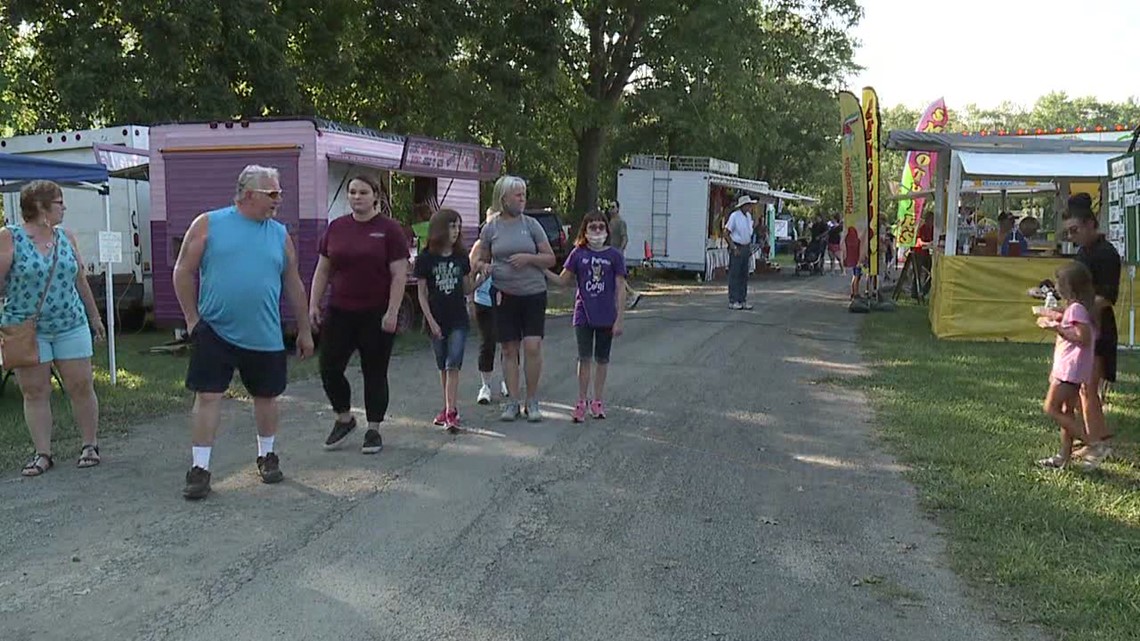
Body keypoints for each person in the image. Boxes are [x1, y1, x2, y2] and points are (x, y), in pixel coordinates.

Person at [174, 165, 314, 500]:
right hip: (216, 331)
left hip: (264, 334)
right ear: (249, 194)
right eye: (273, 193)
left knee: (266, 396)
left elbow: (293, 284)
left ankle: (267, 456)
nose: (279, 200)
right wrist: (192, 319)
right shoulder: (208, 223)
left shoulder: (280, 234)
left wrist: (305, 330)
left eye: (279, 193)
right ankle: (200, 469)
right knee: (207, 396)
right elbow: (183, 270)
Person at [0, 180, 106, 476]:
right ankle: (43, 453)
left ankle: (89, 445)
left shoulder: (66, 237)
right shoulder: (9, 238)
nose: (65, 207)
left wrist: (95, 317)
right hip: (26, 329)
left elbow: (80, 279)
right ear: (40, 207)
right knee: (35, 391)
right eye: (59, 202)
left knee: (81, 385)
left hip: (70, 323)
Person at [309, 174, 409, 454]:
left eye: (363, 192)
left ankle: (373, 430)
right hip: (340, 310)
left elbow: (399, 274)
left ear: (376, 196)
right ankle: (344, 417)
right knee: (329, 367)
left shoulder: (389, 230)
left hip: (376, 312)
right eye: (352, 192)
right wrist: (313, 304)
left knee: (374, 372)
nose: (356, 197)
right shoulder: (337, 228)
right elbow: (323, 269)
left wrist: (392, 311)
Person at [470, 175, 556, 422]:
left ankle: (532, 400)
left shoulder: (531, 225)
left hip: (533, 294)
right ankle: (512, 402)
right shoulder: (491, 228)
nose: (522, 198)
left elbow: (550, 258)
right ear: (503, 198)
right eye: (517, 194)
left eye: (523, 194)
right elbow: (479, 259)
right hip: (504, 294)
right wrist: (482, 266)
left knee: (532, 346)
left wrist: (529, 259)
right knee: (509, 348)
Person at [545, 210, 627, 423]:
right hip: (584, 313)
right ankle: (581, 400)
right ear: (585, 230)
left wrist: (620, 318)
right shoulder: (578, 254)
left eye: (601, 227)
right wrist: (542, 270)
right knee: (584, 358)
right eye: (593, 227)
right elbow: (563, 281)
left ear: (607, 230)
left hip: (607, 314)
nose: (597, 231)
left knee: (602, 359)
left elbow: (620, 288)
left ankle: (597, 400)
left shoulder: (614, 256)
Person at [1062, 192, 1120, 462]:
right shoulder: (1083, 252)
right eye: (1068, 232)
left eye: (1074, 230)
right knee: (1084, 387)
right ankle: (1095, 440)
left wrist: (1077, 313)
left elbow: (1106, 298)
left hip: (1099, 329)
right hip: (1084, 326)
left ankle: (1098, 444)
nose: (1071, 236)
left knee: (1088, 386)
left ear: (1090, 224)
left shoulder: (1106, 254)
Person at [415, 208, 474, 433]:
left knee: (453, 364)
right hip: (435, 318)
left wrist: (480, 276)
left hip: (458, 318)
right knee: (442, 365)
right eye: (451, 226)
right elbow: (421, 294)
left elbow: (467, 287)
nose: (455, 231)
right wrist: (430, 321)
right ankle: (447, 407)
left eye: (458, 226)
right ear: (440, 228)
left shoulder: (461, 257)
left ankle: (451, 411)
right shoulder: (426, 258)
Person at [1034, 262, 1097, 469]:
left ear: (1070, 287)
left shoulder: (1077, 308)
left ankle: (1092, 443)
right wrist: (1053, 316)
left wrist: (1057, 329)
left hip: (1069, 369)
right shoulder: (1078, 307)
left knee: (1051, 408)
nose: (1057, 286)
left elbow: (1083, 337)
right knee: (1066, 410)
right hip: (1074, 368)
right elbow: (1071, 320)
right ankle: (1064, 457)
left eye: (1060, 282)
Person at [472, 209, 510, 405]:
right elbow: (470, 271)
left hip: (508, 298)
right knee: (487, 342)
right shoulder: (479, 245)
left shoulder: (510, 244)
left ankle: (507, 381)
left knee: (508, 341)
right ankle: (485, 386)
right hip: (484, 300)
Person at [723, 195, 760, 310]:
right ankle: (733, 300)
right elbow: (726, 232)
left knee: (744, 275)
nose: (750, 207)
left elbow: (749, 231)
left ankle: (742, 299)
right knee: (735, 274)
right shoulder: (734, 216)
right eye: (748, 205)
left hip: (745, 246)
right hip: (737, 246)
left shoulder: (748, 217)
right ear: (743, 206)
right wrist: (733, 247)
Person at [607, 201, 642, 308]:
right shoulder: (610, 222)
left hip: (616, 253)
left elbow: (625, 238)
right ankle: (627, 296)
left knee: (618, 277)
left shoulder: (620, 222)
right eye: (610, 207)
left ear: (618, 209)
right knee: (615, 277)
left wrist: (620, 251)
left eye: (613, 207)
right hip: (610, 253)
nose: (611, 209)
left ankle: (632, 294)